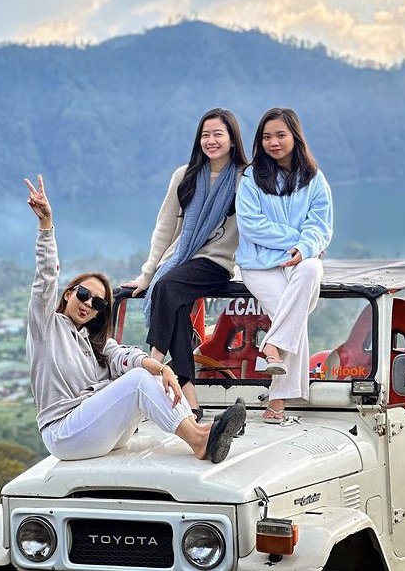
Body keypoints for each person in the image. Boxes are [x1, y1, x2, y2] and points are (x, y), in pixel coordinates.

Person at [23, 174, 245, 463]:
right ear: (68, 294)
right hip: (65, 432)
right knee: (140, 380)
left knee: (144, 372)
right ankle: (200, 440)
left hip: (101, 431)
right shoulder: (46, 330)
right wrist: (46, 226)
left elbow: (124, 356)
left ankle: (199, 430)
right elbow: (44, 280)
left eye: (98, 303)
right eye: (83, 294)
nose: (88, 304)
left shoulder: (93, 342)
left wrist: (162, 368)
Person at [121, 108, 248, 421]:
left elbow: (262, 223)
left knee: (167, 287)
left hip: (216, 263)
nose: (211, 140)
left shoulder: (245, 178)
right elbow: (165, 227)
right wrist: (147, 273)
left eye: (218, 134)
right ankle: (190, 399)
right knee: (174, 302)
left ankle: (153, 362)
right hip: (180, 260)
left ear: (232, 139)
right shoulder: (185, 175)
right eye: (205, 134)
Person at [235, 108, 333, 424]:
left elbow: (321, 225)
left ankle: (273, 345)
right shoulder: (251, 177)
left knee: (312, 270)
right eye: (267, 137)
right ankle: (278, 403)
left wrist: (305, 248)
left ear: (295, 137)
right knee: (293, 316)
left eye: (280, 135)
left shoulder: (315, 180)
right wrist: (296, 239)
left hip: (297, 261)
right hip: (259, 264)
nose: (274, 142)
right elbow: (250, 224)